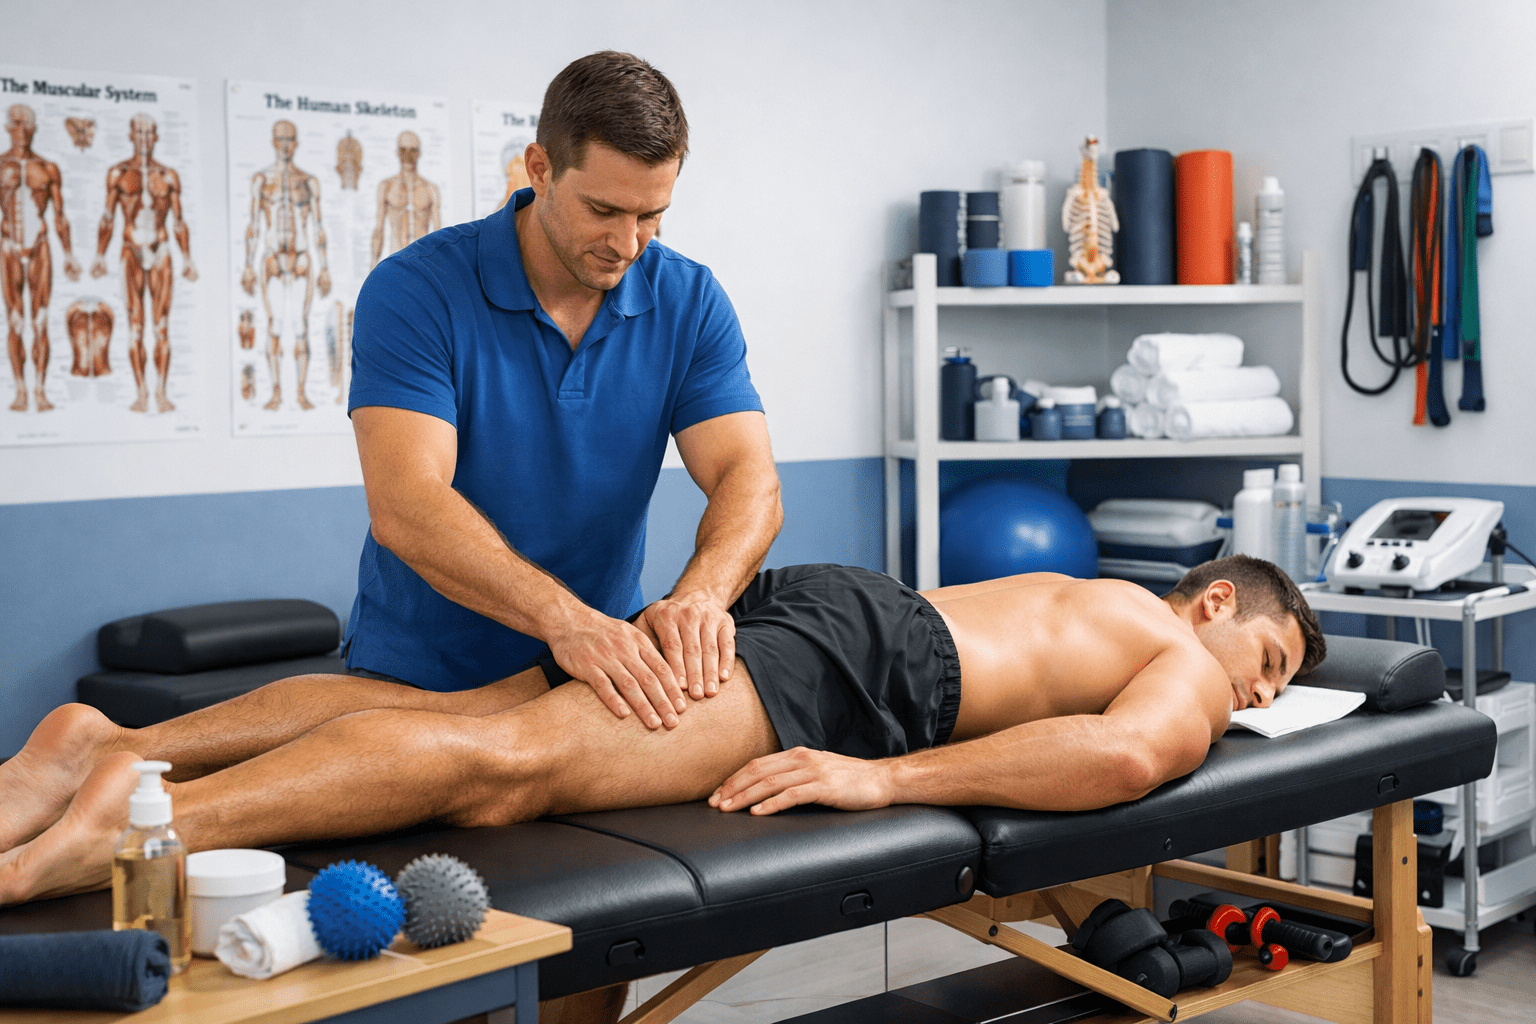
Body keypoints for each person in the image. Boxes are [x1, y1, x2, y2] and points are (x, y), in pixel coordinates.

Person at [0, 556, 1325, 908]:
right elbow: (1128, 758)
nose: (1254, 698)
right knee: (503, 776)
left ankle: (110, 744)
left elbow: (1098, 738)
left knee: (461, 718)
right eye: (1264, 662)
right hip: (867, 668)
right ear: (1213, 604)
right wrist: (884, 781)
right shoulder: (1178, 659)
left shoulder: (1085, 596)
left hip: (832, 599)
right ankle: (138, 826)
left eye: (1265, 689)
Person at [344, 51, 782, 733]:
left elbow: (747, 476)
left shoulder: (691, 300)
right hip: (422, 671)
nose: (627, 242)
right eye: (603, 210)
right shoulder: (417, 290)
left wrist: (701, 598)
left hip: (595, 676)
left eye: (651, 215)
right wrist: (564, 620)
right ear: (540, 168)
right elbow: (406, 501)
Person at [91, 113, 197, 414]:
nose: (144, 138)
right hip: (131, 251)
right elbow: (107, 218)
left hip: (161, 250)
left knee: (161, 327)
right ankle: (141, 393)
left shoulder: (167, 176)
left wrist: (187, 258)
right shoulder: (119, 174)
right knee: (136, 327)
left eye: (149, 132)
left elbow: (179, 221)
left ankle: (161, 393)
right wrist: (99, 255)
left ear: (156, 137)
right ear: (130, 135)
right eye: (139, 132)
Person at [240, 120, 330, 412]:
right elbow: (253, 226)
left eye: (290, 139)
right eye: (281, 139)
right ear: (273, 141)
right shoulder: (261, 180)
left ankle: (301, 392)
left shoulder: (308, 181)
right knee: (275, 326)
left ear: (297, 143)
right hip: (271, 258)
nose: (286, 145)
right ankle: (277, 392)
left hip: (302, 256)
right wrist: (247, 266)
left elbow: (319, 228)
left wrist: (325, 267)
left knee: (300, 327)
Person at [2, 103, 82, 413]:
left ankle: (40, 390)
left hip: (40, 247)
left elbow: (60, 216)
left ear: (35, 129)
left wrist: (70, 254)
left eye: (28, 125)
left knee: (40, 321)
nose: (22, 131)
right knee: (15, 322)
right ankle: (20, 390)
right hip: (8, 246)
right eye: (16, 125)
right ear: (8, 128)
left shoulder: (48, 169)